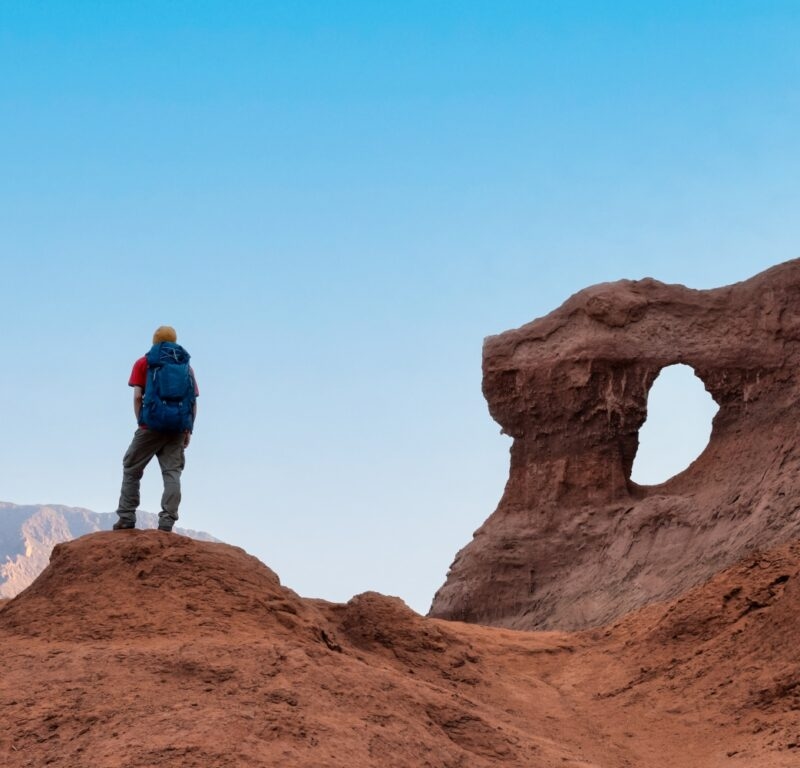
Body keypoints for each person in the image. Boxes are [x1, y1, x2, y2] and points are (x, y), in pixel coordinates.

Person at [113, 326, 198, 532]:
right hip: (178, 427)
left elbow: (136, 397)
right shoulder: (186, 367)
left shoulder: (144, 362)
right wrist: (188, 430)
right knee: (172, 473)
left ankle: (127, 516)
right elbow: (193, 402)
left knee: (131, 466)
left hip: (150, 426)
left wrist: (141, 421)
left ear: (154, 341)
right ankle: (167, 520)